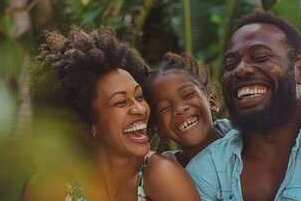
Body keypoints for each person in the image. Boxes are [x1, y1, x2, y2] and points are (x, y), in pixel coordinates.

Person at [23, 26, 201, 201]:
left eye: (139, 97)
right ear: (87, 121)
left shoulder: (162, 177)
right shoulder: (50, 187)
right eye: (120, 102)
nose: (139, 109)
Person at [186, 11, 301, 200]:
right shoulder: (208, 169)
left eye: (260, 57)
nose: (241, 69)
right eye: (230, 64)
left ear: (300, 71)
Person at [145, 52, 301, 168]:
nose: (180, 109)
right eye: (165, 108)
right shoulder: (167, 169)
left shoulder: (246, 134)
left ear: (212, 102)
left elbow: (282, 113)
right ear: (162, 132)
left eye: (188, 95)